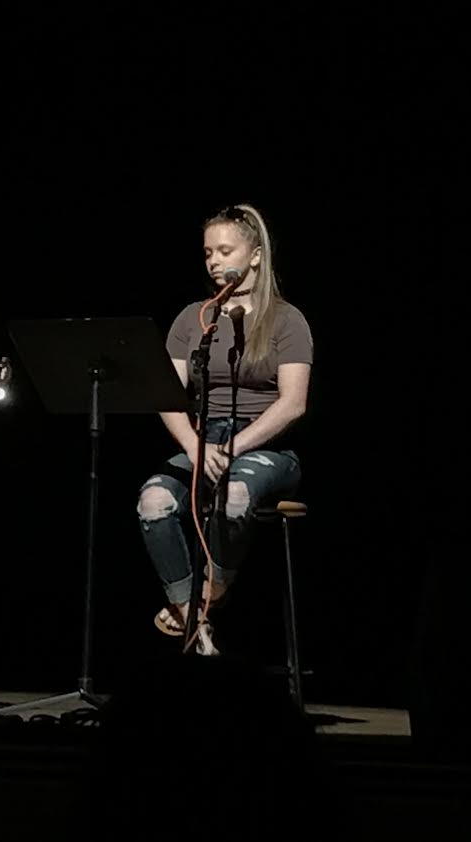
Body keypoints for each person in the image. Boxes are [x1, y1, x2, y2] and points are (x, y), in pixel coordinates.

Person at [136, 204, 313, 651]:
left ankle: (209, 596)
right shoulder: (193, 319)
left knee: (234, 495)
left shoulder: (286, 320)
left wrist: (234, 447)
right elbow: (165, 393)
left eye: (225, 250)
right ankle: (191, 614)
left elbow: (292, 404)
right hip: (205, 439)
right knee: (153, 500)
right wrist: (195, 447)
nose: (214, 260)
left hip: (266, 444)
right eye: (207, 252)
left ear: (255, 255)